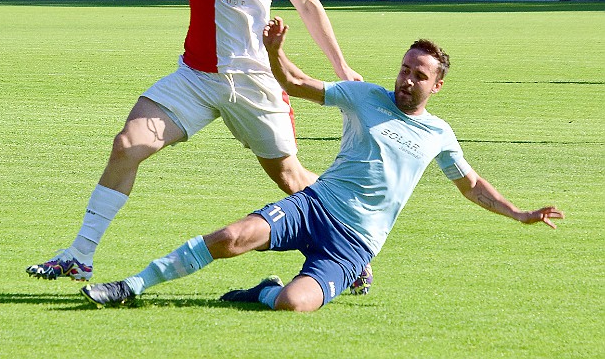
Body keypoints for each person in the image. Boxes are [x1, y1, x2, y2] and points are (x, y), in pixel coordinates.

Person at [80, 17, 564, 311]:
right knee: (230, 238)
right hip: (316, 204)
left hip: (356, 245)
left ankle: (264, 291)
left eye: (419, 75)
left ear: (436, 86)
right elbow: (295, 84)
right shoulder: (363, 96)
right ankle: (133, 285)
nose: (407, 79)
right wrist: (274, 51)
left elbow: (472, 185)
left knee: (295, 303)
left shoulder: (439, 134)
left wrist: (520, 213)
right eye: (404, 68)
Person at [27, 0, 363, 283]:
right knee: (127, 145)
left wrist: (341, 67)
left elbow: (308, 5)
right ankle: (80, 254)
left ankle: (351, 246)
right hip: (195, 78)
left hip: (253, 83)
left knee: (292, 179)